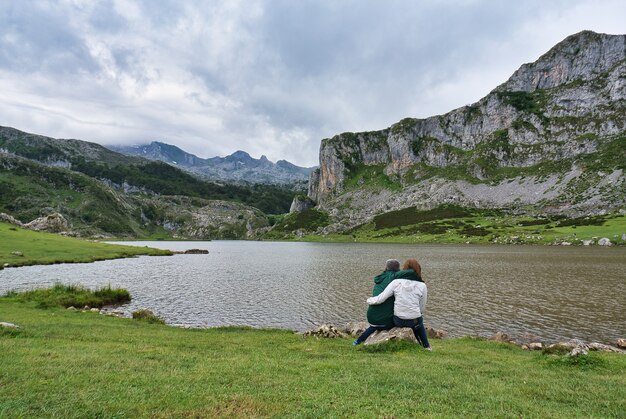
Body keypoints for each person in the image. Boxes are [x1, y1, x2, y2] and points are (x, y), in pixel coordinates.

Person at [352, 259, 423, 346]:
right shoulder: (395, 277)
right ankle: (419, 344)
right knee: (408, 320)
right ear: (398, 269)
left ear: (386, 267)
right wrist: (417, 274)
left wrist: (370, 300)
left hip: (371, 317)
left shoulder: (381, 277)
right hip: (385, 320)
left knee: (373, 326)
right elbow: (411, 272)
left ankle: (357, 341)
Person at [366, 259, 431, 350]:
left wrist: (370, 300)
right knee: (418, 323)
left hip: (398, 320)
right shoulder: (422, 285)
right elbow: (422, 307)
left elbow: (382, 298)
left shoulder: (396, 282)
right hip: (414, 321)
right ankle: (426, 346)